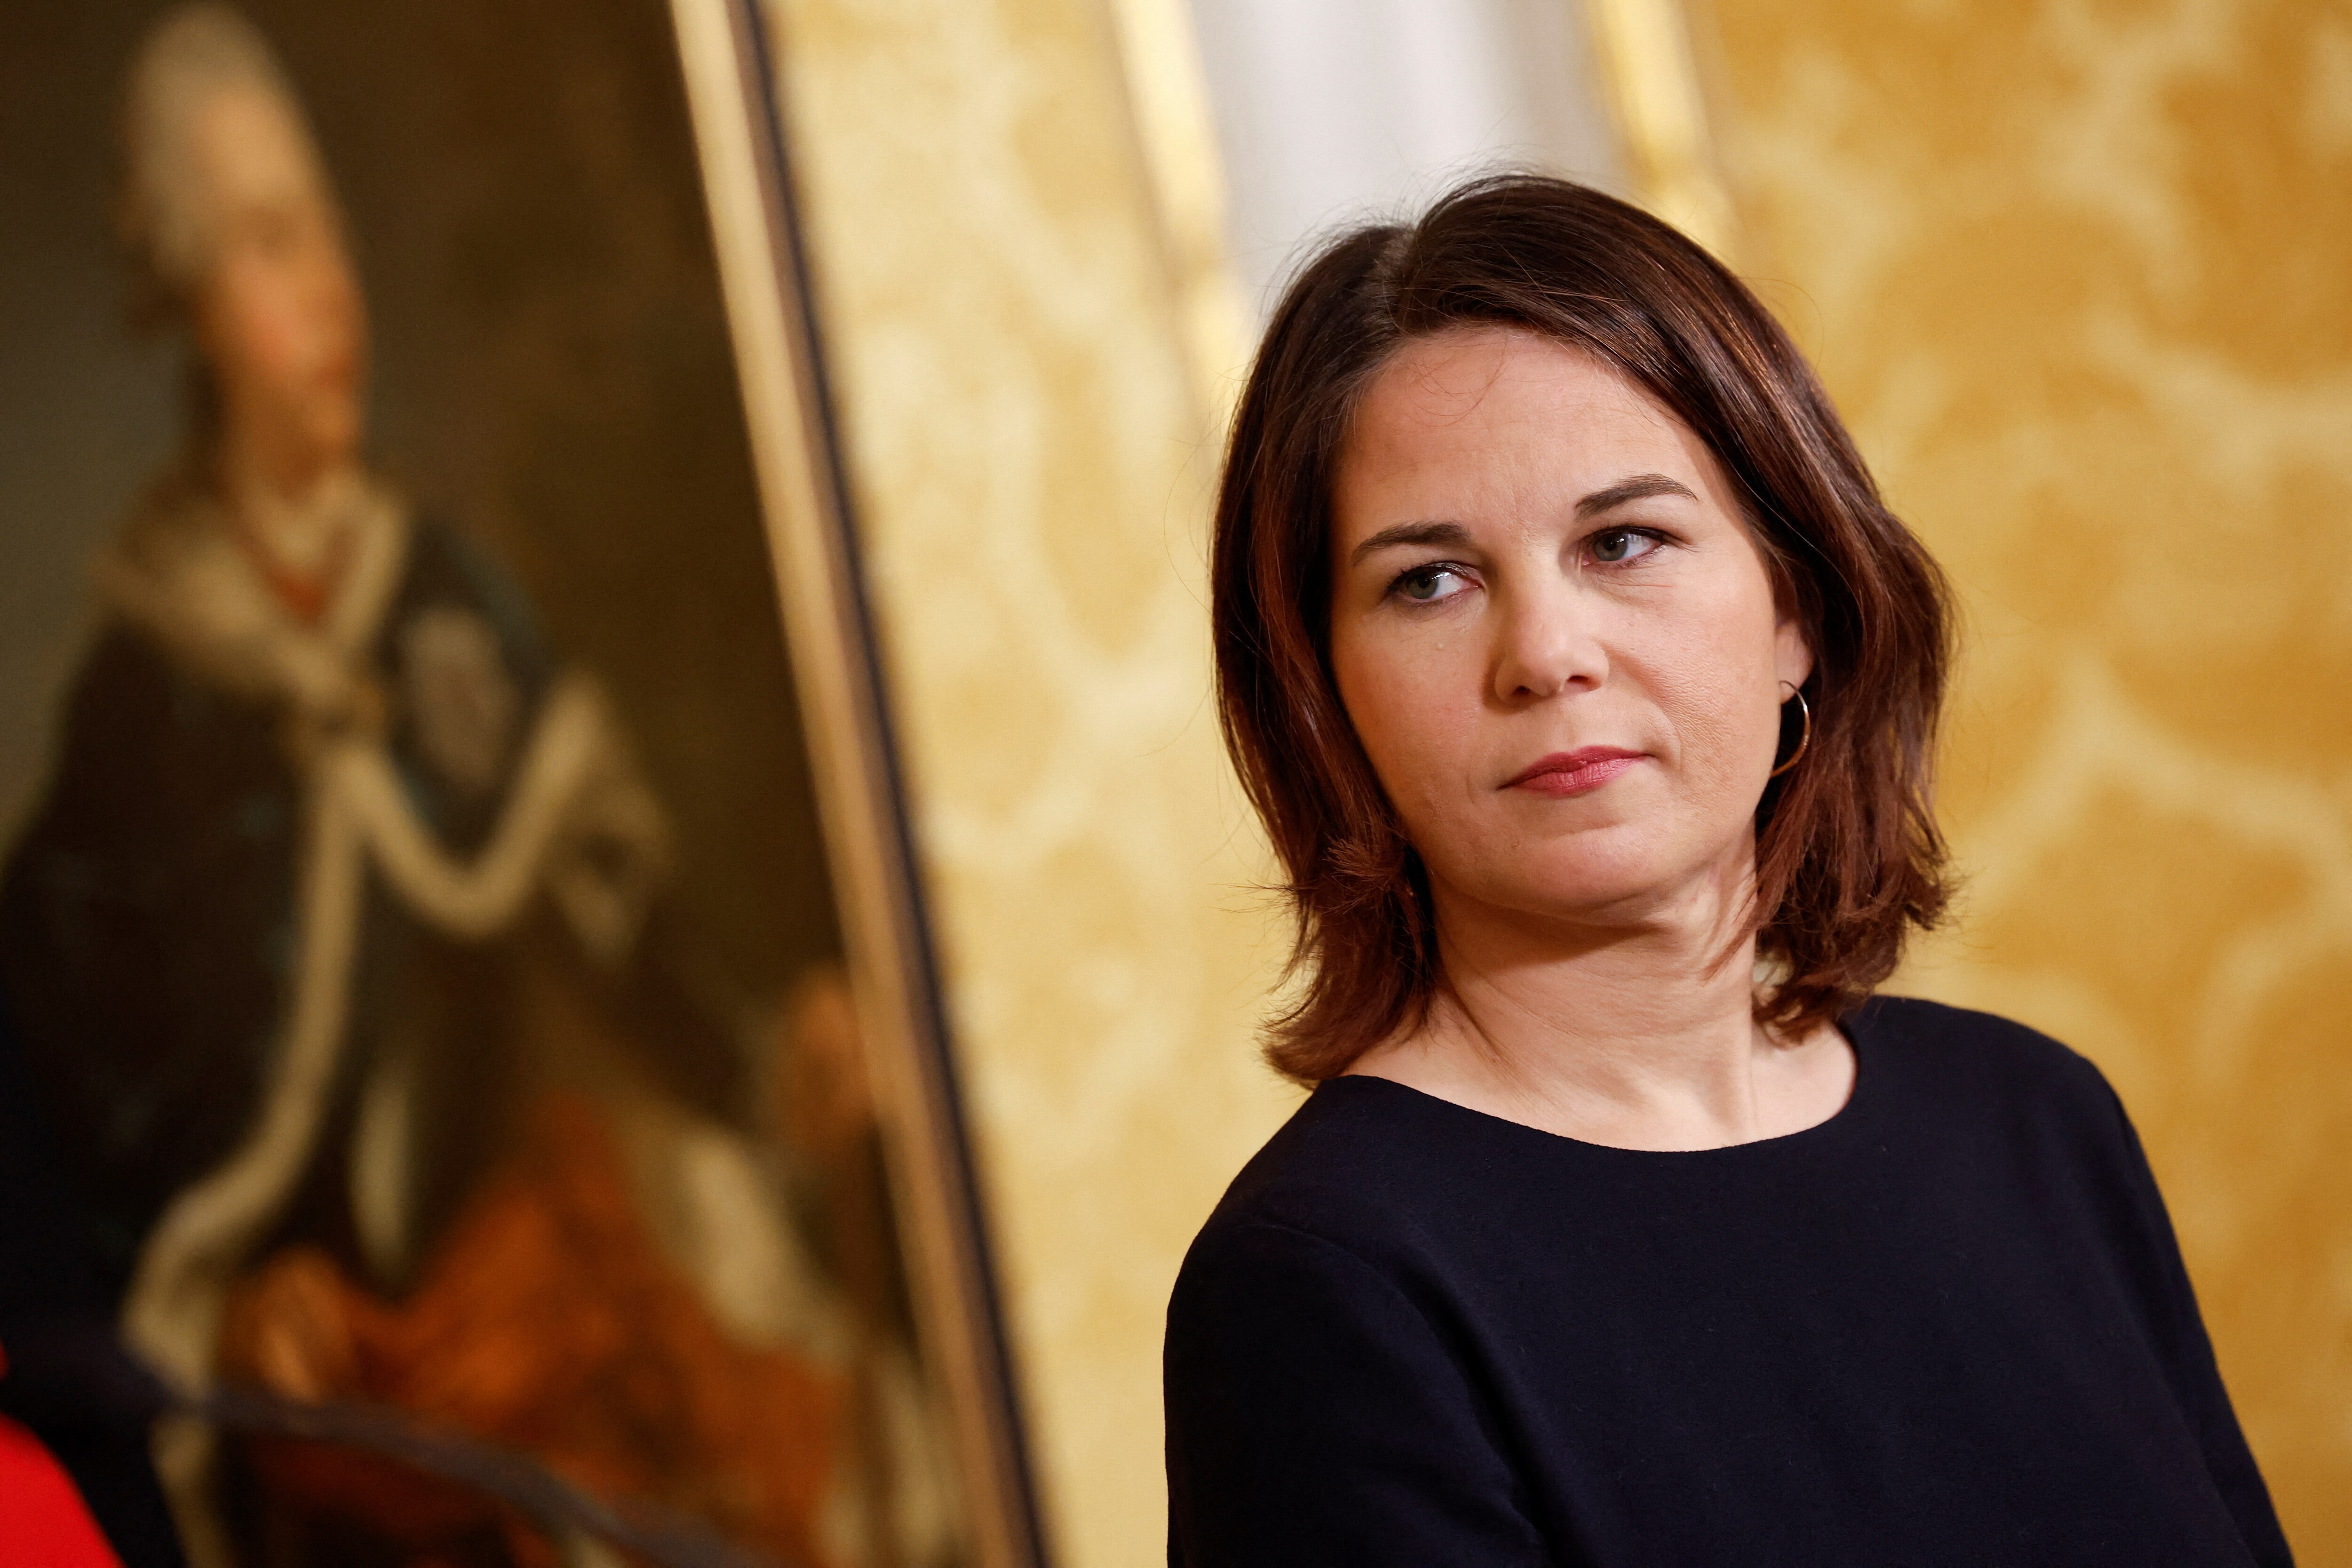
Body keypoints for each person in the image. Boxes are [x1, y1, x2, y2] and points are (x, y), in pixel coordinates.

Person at [1164, 175, 2293, 1567]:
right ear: (1327, 698)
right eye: (1430, 582)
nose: (1547, 652)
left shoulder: (2038, 1123)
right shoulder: (1326, 1283)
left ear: (1795, 611)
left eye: (1622, 541)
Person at [0, 8, 900, 1565]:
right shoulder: (137, 718)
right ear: (193, 304)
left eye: (331, 233)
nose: (332, 289)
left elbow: (635, 932)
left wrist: (778, 1060)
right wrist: (221, 1311)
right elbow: (85, 1155)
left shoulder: (441, 607)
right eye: (273, 246)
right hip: (328, 1418)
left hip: (522, 1307)